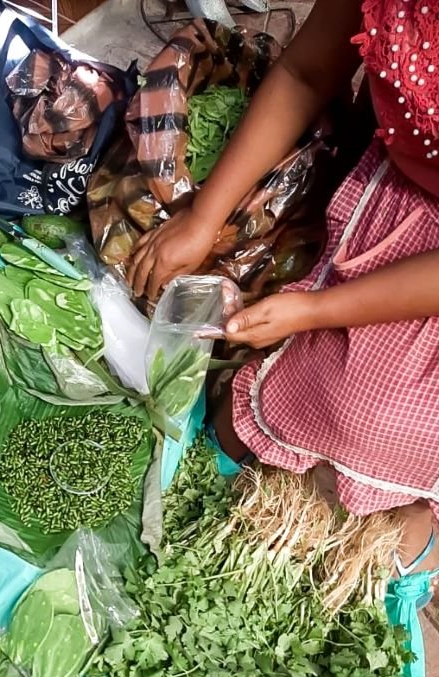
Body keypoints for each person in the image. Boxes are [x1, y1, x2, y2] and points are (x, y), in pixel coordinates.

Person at [127, 0, 439, 582]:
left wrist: (315, 310)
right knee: (273, 366)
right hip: (382, 189)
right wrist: (202, 218)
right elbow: (303, 72)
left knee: (375, 417)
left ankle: (391, 556)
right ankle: (239, 457)